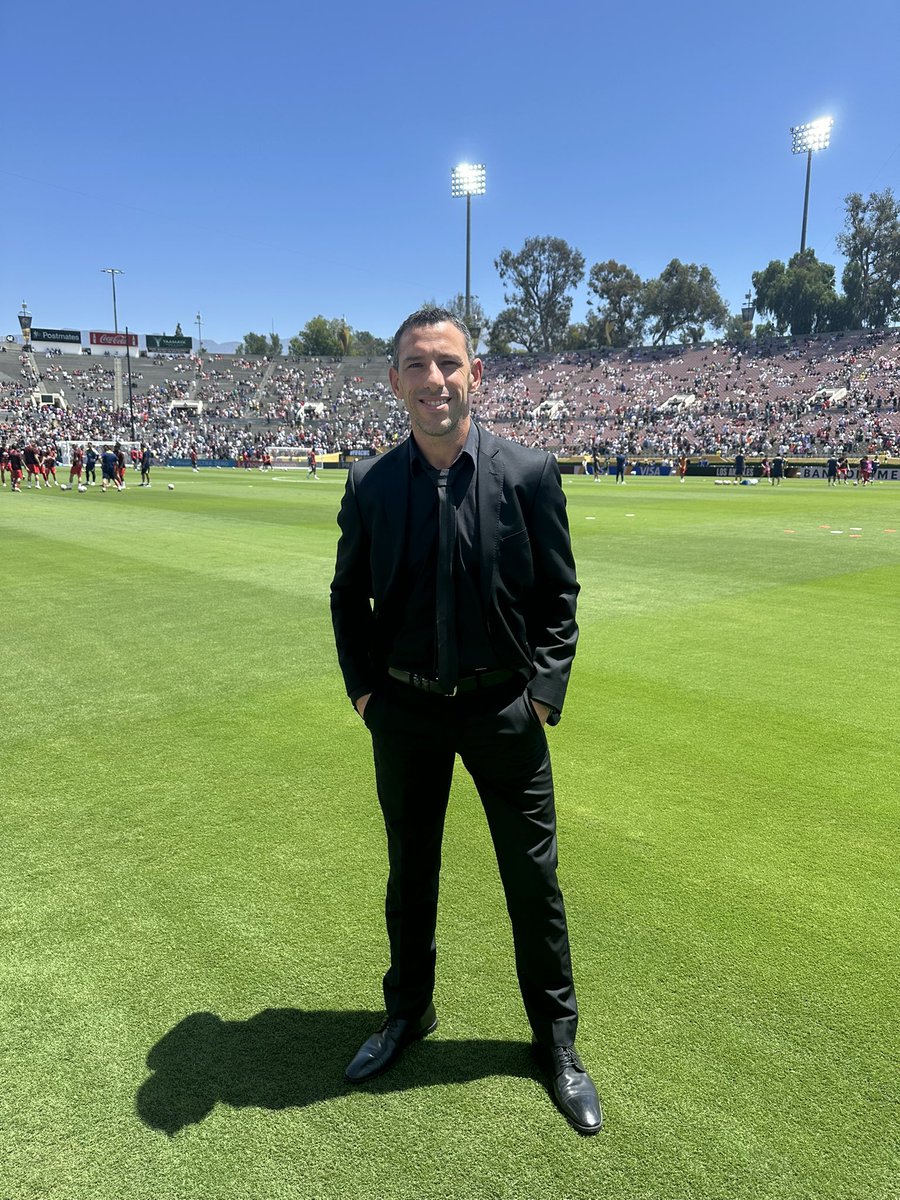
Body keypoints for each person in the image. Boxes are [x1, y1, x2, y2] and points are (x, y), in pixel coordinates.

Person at [330, 307, 601, 1135]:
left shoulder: (527, 473)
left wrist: (543, 695)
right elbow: (348, 597)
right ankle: (407, 1014)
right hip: (405, 711)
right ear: (395, 381)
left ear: (474, 376)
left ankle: (556, 1042)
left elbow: (559, 597)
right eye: (417, 365)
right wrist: (367, 695)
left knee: (533, 881)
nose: (435, 380)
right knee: (410, 875)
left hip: (502, 710)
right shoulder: (370, 483)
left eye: (449, 363)